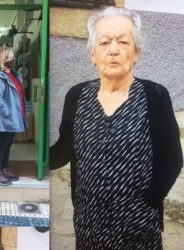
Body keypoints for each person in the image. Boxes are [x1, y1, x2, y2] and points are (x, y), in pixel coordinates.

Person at [50, 7, 183, 249]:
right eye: (104, 43)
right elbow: (65, 149)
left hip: (138, 223)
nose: (113, 50)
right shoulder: (77, 95)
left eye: (123, 41)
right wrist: (33, 158)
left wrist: (150, 201)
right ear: (92, 54)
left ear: (136, 53)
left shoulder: (155, 95)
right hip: (89, 221)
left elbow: (173, 159)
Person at [0, 47, 27, 186]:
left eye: (13, 56)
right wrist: (8, 113)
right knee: (1, 145)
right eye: (10, 57)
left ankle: (3, 169)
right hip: (5, 119)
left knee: (7, 145)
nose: (13, 59)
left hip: (14, 117)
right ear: (2, 59)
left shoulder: (14, 74)